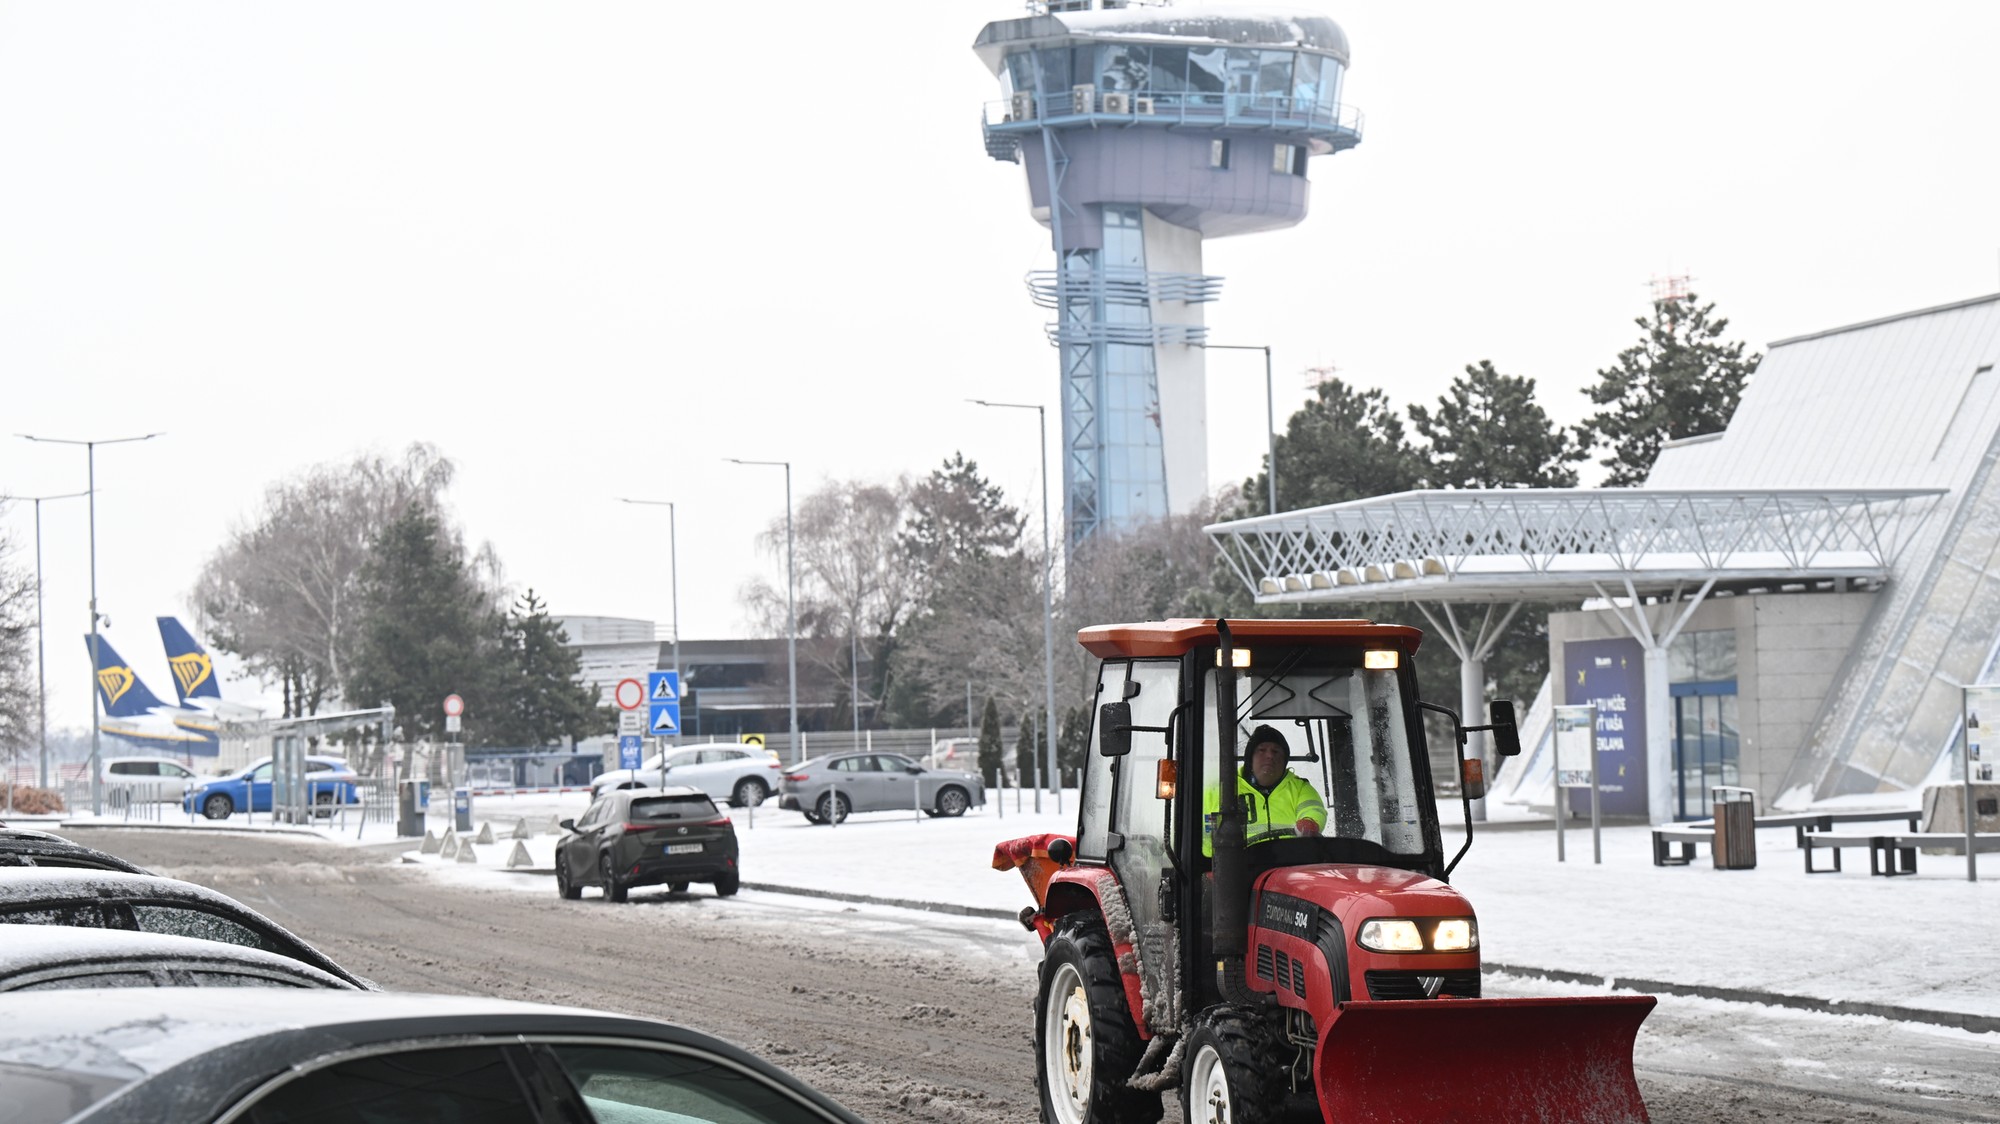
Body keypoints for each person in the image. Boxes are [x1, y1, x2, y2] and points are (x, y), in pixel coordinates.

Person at [1202, 724, 1328, 854]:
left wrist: (1310, 822)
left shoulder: (1300, 788)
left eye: (1276, 751)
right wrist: (1211, 866)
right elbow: (1205, 837)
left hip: (1290, 862)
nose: (1269, 756)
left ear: (1285, 760)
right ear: (1250, 758)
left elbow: (1313, 809)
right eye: (1262, 750)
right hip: (1239, 867)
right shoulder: (1220, 791)